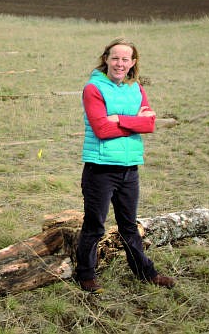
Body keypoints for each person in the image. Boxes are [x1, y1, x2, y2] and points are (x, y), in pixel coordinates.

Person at [75, 38, 175, 293]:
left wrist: (118, 119)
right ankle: (85, 274)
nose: (120, 63)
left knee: (129, 226)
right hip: (100, 168)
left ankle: (146, 273)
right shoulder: (93, 88)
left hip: (130, 168)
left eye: (125, 59)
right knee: (95, 226)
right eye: (115, 58)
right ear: (106, 59)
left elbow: (149, 124)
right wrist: (134, 122)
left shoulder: (136, 88)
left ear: (133, 63)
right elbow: (101, 129)